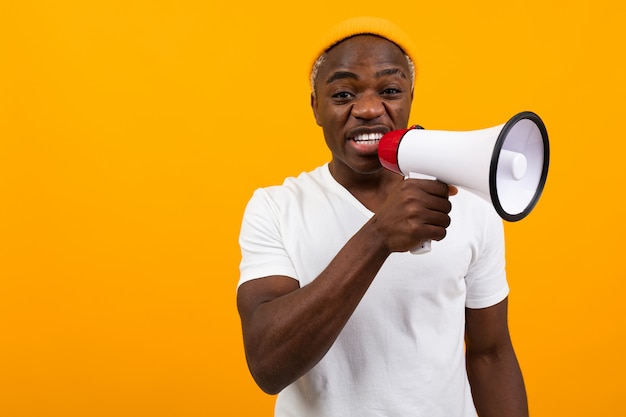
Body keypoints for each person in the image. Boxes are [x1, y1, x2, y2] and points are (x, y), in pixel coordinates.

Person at [236, 16, 528, 417]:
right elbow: (268, 365)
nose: (370, 109)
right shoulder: (276, 208)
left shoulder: (471, 205)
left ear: (410, 97)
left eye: (390, 90)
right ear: (315, 107)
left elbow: (491, 355)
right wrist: (378, 237)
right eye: (342, 95)